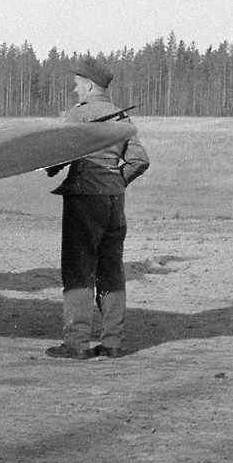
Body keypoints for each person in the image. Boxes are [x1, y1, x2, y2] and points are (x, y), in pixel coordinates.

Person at [44, 58, 149, 360]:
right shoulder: (121, 118)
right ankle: (113, 342)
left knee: (78, 269)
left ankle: (77, 343)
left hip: (84, 199)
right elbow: (140, 160)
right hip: (115, 201)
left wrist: (49, 167)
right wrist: (115, 181)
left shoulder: (78, 116)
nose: (75, 90)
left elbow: (57, 157)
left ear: (89, 85)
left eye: (77, 85)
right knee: (111, 269)